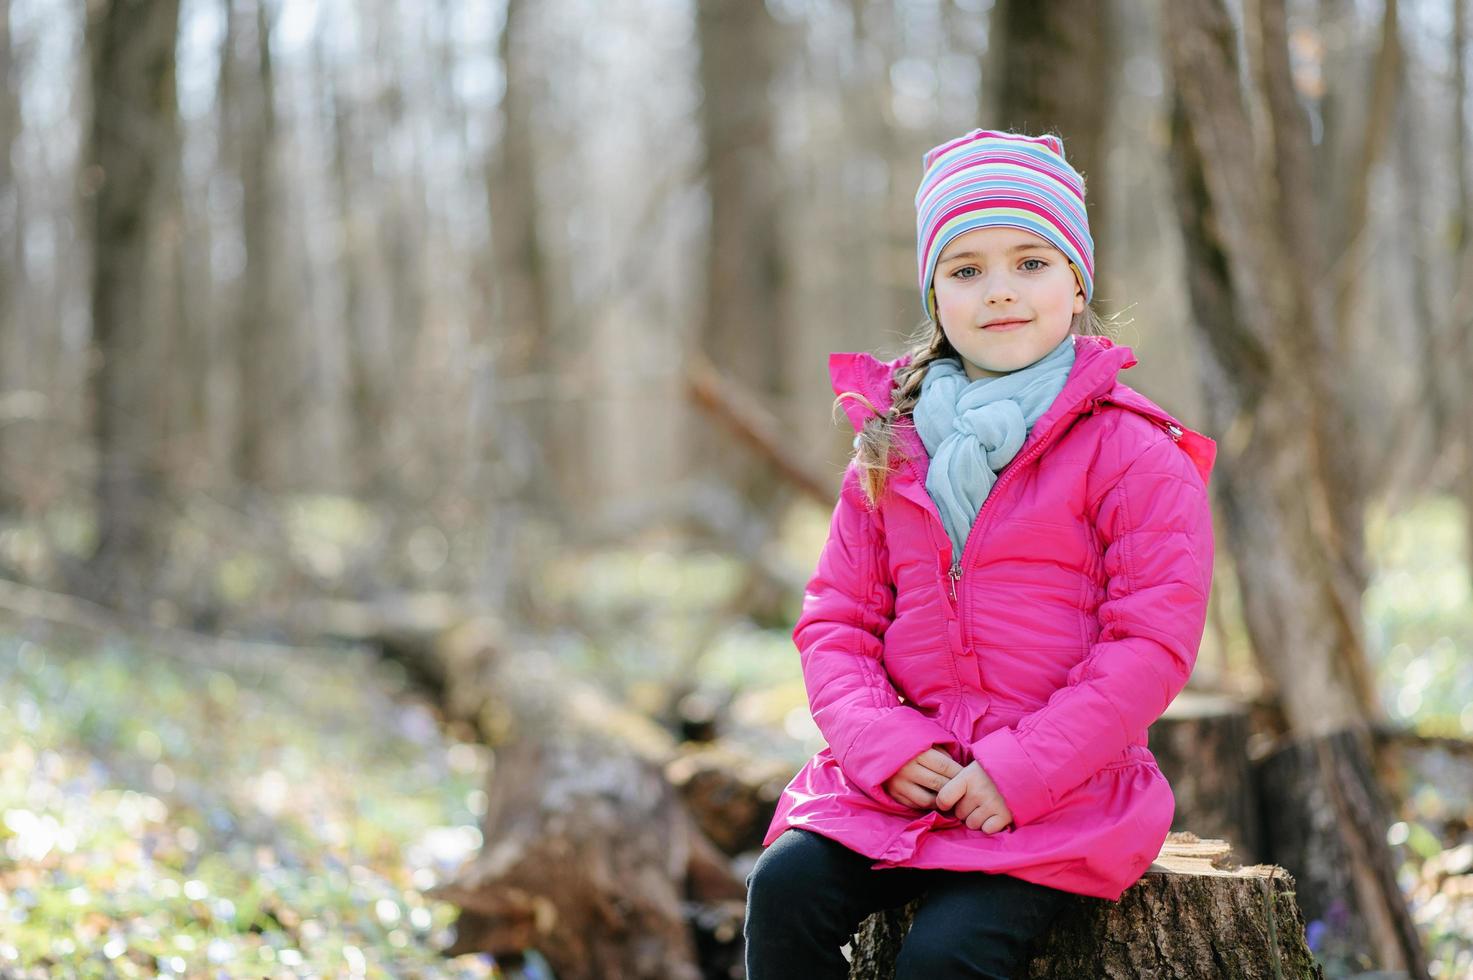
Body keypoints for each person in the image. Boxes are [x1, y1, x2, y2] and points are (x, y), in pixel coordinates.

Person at [743, 129, 1217, 979]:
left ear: (1077, 284)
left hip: (1058, 792)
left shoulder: (1133, 451)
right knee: (784, 891)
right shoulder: (890, 449)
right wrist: (881, 744)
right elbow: (836, 623)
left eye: (1030, 262)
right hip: (902, 783)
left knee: (945, 957)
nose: (999, 291)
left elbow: (1150, 643)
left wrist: (1018, 769)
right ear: (936, 296)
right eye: (965, 270)